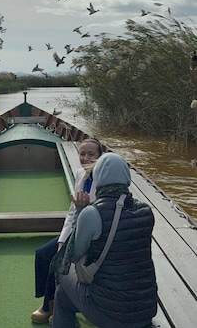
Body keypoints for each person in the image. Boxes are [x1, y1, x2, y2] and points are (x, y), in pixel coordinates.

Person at [52, 152, 158, 328]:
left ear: (98, 177)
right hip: (144, 308)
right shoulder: (145, 211)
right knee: (63, 295)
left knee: (61, 271)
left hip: (110, 311)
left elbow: (75, 254)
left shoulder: (92, 213)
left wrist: (79, 211)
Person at [31, 138, 105, 324]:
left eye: (91, 154)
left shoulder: (103, 178)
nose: (85, 158)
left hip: (95, 235)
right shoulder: (81, 174)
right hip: (76, 229)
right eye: (82, 154)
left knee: (59, 260)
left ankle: (54, 307)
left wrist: (86, 208)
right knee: (43, 254)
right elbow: (72, 212)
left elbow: (103, 214)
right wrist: (62, 240)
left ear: (100, 156)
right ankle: (49, 302)